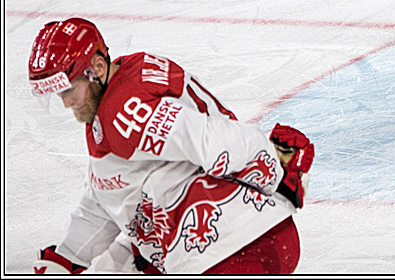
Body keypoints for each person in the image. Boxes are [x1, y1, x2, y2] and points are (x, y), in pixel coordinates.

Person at [28, 17, 314, 275]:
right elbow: (109, 193)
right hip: (236, 242)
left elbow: (210, 140)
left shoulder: (126, 111)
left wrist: (275, 171)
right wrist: (66, 258)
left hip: (232, 247)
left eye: (68, 89)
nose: (65, 102)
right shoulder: (117, 96)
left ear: (98, 67)